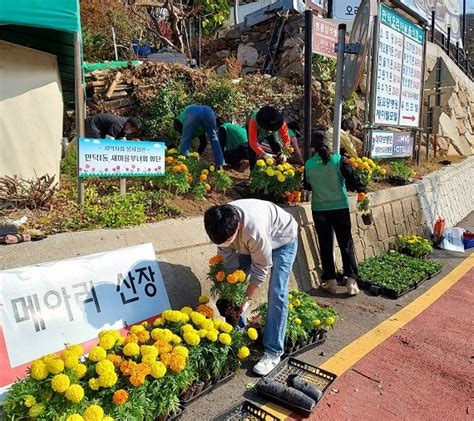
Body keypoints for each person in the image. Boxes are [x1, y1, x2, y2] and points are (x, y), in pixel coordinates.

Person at [204, 199, 298, 375]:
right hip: (247, 245)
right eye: (221, 242)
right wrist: (232, 297)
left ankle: (273, 352)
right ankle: (239, 336)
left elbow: (261, 269)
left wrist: (246, 301)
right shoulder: (220, 223)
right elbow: (229, 266)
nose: (225, 245)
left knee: (277, 292)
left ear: (238, 226)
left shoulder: (254, 230)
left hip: (282, 239)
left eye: (228, 240)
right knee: (234, 286)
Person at [305, 131, 367, 296]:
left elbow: (308, 186)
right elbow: (354, 179)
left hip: (319, 209)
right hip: (339, 207)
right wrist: (361, 190)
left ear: (313, 148)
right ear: (328, 145)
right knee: (346, 243)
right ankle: (352, 282)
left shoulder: (309, 164)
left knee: (325, 245)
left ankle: (331, 281)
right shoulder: (338, 160)